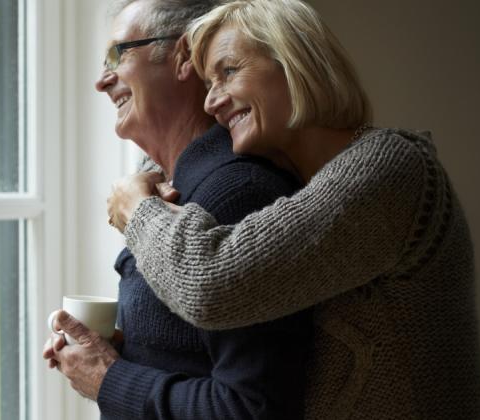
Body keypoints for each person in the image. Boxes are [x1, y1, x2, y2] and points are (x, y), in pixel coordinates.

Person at [102, 0, 480, 418]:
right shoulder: (307, 186)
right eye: (208, 82)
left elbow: (212, 286)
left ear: (295, 62)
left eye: (228, 72)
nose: (212, 101)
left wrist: (138, 209)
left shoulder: (391, 168)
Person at [44, 0, 313, 419]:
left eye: (119, 53)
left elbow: (250, 408)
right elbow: (193, 356)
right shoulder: (170, 188)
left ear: (184, 56)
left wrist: (108, 379)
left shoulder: (236, 192)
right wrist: (113, 354)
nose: (101, 81)